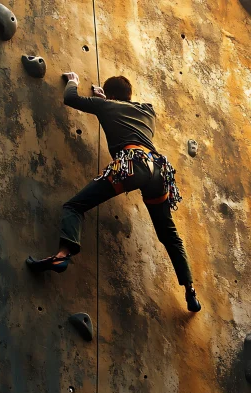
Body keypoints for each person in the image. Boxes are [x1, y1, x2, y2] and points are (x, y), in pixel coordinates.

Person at [26, 72, 200, 312]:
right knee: (169, 233)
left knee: (74, 206)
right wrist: (105, 99)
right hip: (158, 170)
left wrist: (73, 81)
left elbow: (70, 98)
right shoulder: (148, 111)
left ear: (110, 96)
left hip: (131, 165)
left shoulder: (105, 105)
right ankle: (190, 290)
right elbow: (123, 113)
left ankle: (62, 254)